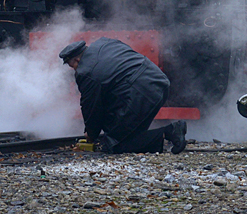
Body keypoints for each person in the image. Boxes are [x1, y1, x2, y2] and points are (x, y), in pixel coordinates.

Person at [59, 38, 187, 154]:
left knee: (114, 144)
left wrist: (91, 134)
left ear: (77, 60)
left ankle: (170, 131)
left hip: (141, 93)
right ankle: (168, 133)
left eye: (73, 66)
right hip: (158, 81)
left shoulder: (86, 72)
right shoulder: (104, 43)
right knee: (128, 134)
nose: (75, 70)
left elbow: (91, 106)